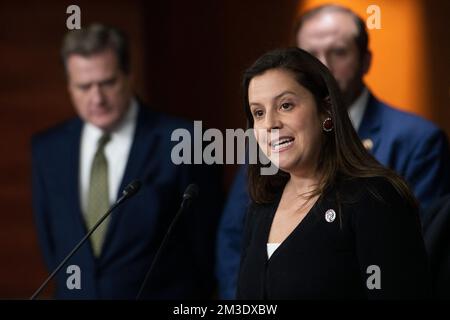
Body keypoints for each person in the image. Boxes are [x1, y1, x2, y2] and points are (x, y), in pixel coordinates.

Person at [216, 4, 450, 299]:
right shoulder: (263, 204)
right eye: (258, 113)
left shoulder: (374, 198)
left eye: (286, 105)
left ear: (325, 110)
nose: (270, 124)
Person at [31, 24, 222, 299]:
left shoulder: (185, 140)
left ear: (129, 75)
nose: (96, 98)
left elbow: (205, 248)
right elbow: (53, 245)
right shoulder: (47, 148)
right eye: (84, 87)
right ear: (69, 86)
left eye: (108, 83)